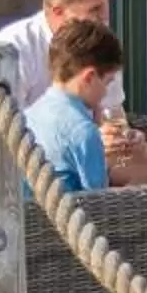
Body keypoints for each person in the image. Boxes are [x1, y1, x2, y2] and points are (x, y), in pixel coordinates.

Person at [0, 0, 147, 187]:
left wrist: (125, 137)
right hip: (24, 157)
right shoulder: (14, 47)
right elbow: (2, 131)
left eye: (106, 6)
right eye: (95, 9)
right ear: (57, 11)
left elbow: (111, 114)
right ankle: (96, 216)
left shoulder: (98, 42)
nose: (105, 18)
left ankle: (122, 219)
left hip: (82, 143)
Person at [21, 18, 125, 194]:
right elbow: (99, 205)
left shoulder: (28, 116)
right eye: (107, 83)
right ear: (89, 77)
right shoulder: (83, 131)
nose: (105, 93)